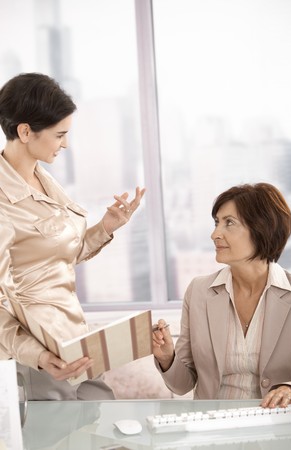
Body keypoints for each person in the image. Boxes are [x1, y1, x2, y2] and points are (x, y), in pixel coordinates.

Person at [0, 72, 145, 400]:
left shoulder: (44, 181)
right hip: (35, 359)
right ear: (25, 131)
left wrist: (107, 226)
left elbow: (56, 258)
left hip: (74, 340)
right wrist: (37, 356)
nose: (65, 144)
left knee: (101, 422)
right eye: (59, 134)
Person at [153, 183, 291, 408]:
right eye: (216, 223)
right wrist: (167, 358)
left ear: (262, 228)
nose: (214, 234)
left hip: (275, 425)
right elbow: (182, 384)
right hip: (212, 427)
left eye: (229, 223)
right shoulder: (199, 291)